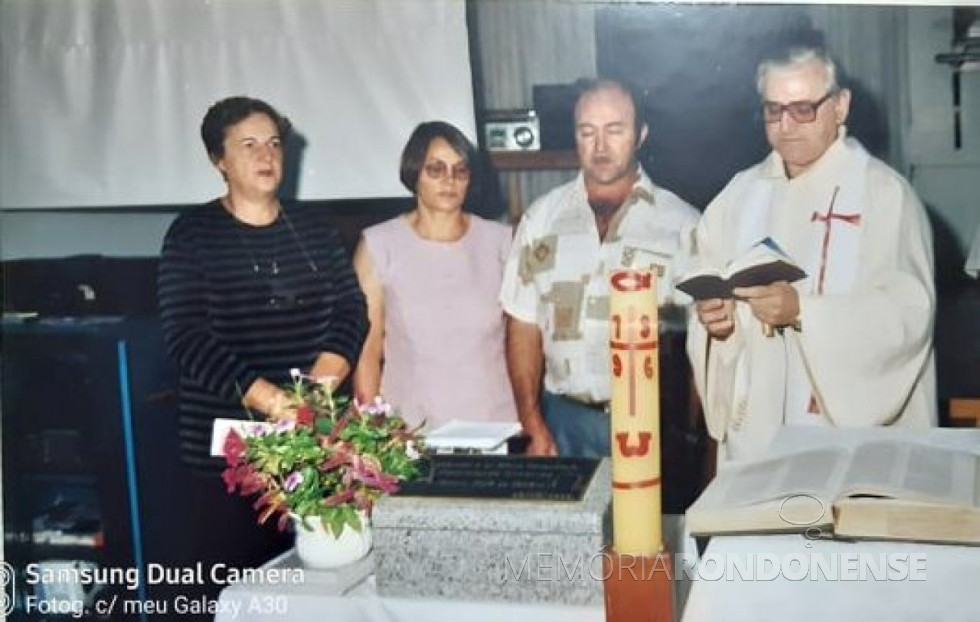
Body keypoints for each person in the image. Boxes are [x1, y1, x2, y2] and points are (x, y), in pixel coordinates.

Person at [156, 96, 367, 612]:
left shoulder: (313, 230)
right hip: (226, 460)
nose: (266, 154)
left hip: (312, 442)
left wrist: (315, 392)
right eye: (248, 144)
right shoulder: (192, 235)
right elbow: (187, 337)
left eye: (274, 142)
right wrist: (275, 403)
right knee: (239, 597)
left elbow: (351, 310)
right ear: (219, 160)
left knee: (318, 595)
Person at [687, 47, 937, 463]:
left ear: (840, 106)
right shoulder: (737, 197)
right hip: (759, 441)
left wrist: (803, 311)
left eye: (803, 109)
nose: (786, 126)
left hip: (854, 441)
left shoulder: (883, 194)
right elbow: (709, 299)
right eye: (773, 110)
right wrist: (717, 326)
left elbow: (908, 314)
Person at [500, 78, 700, 457]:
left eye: (615, 130)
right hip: (563, 424)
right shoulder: (541, 219)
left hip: (653, 427)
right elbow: (522, 325)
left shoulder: (683, 225)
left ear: (640, 134)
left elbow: (701, 344)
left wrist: (694, 439)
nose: (600, 147)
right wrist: (532, 425)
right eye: (587, 132)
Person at [352, 121, 518, 431]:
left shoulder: (502, 242)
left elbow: (519, 344)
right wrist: (370, 433)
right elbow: (367, 352)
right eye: (436, 169)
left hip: (491, 425)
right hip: (407, 430)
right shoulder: (378, 244)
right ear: (414, 173)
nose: (450, 181)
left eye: (460, 170)